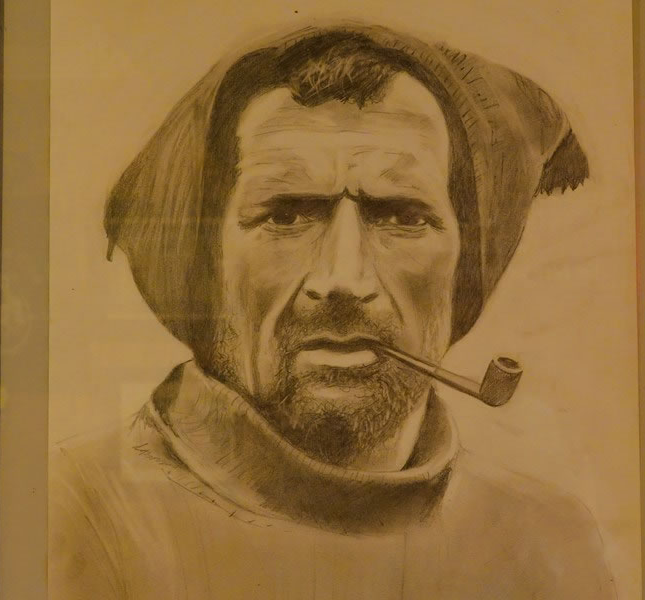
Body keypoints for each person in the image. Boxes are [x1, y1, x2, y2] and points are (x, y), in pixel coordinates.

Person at [50, 23, 615, 599]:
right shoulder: (74, 513)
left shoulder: (546, 545)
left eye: (403, 217)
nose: (344, 278)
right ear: (204, 258)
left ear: (466, 267)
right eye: (285, 216)